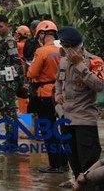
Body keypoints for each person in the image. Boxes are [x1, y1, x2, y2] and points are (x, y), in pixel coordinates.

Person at [55, 26, 104, 188]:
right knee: (74, 163)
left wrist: (79, 65)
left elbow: (99, 85)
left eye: (65, 45)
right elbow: (59, 82)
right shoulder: (62, 61)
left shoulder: (94, 62)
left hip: (84, 121)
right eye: (61, 44)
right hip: (66, 120)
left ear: (74, 46)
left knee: (89, 167)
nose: (63, 48)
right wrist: (57, 96)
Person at [26, 21, 67, 174]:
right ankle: (64, 162)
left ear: (42, 35)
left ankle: (55, 165)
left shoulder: (41, 52)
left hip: (45, 94)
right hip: (62, 93)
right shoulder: (63, 50)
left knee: (48, 130)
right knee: (61, 129)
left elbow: (32, 73)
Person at [0, 14, 25, 147]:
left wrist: (18, 82)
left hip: (9, 80)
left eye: (1, 26)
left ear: (7, 26)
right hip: (3, 79)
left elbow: (16, 62)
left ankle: (12, 139)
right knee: (5, 109)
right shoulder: (2, 40)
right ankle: (9, 138)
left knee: (10, 110)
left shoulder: (9, 41)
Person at [15, 25, 32, 116]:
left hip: (20, 69)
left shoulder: (18, 45)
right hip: (27, 69)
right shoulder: (29, 44)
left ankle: (23, 111)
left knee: (20, 91)